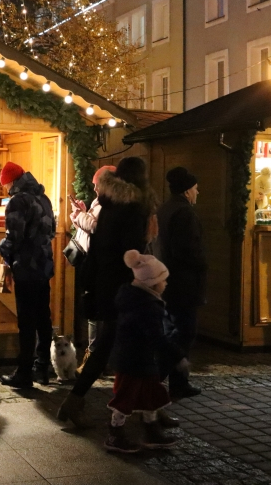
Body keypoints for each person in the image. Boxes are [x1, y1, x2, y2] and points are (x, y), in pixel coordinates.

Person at [58, 157, 158, 428]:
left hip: (106, 283)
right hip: (126, 286)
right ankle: (139, 413)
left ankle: (146, 409)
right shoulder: (134, 207)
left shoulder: (109, 204)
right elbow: (131, 252)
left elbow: (102, 245)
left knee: (113, 345)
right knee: (126, 347)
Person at [104, 250, 188, 454]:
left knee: (151, 395)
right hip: (134, 361)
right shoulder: (146, 306)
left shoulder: (137, 299)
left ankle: (151, 431)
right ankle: (115, 433)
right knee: (126, 398)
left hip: (139, 359)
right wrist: (178, 356)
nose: (166, 284)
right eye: (163, 280)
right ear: (152, 283)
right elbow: (156, 337)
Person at [0, 161, 57, 388]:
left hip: (26, 266)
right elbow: (51, 231)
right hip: (44, 265)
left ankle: (24, 373)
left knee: (26, 321)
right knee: (44, 317)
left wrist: (2, 249)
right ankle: (42, 367)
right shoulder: (44, 198)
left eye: (5, 185)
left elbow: (14, 236)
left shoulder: (17, 201)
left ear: (11, 182)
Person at [156, 167, 205, 399]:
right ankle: (156, 379)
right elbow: (188, 251)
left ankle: (175, 382)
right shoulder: (185, 213)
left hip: (165, 280)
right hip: (183, 282)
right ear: (187, 191)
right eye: (195, 188)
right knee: (184, 331)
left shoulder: (165, 209)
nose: (198, 192)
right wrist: (202, 266)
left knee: (170, 330)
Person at [70, 165, 115, 373]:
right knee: (94, 310)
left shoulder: (111, 203)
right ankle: (95, 356)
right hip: (93, 262)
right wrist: (81, 213)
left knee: (95, 311)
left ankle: (94, 358)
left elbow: (96, 228)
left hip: (99, 265)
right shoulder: (103, 201)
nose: (94, 189)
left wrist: (80, 215)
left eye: (96, 185)